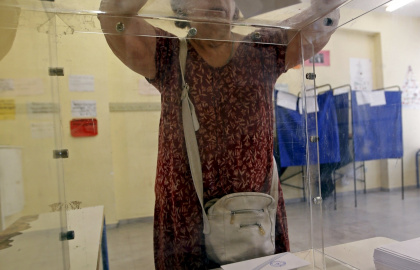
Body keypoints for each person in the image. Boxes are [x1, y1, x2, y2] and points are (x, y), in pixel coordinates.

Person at [98, 0, 339, 269]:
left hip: (255, 212)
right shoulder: (168, 54)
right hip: (187, 220)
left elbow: (323, 20)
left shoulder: (261, 50)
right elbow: (112, 16)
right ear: (183, 8)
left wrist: (323, 6)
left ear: (235, 7)